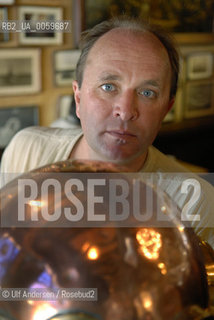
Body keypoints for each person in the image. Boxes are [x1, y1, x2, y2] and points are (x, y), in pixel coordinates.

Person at [0, 16, 214, 247]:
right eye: (108, 87)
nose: (125, 111)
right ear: (78, 98)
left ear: (166, 109)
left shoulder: (194, 200)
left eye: (147, 93)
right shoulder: (27, 150)